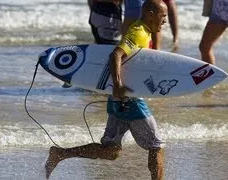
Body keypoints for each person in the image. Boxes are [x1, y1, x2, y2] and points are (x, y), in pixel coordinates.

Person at [44, 1, 168, 180]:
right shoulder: (139, 32)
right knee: (156, 146)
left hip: (119, 99)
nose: (164, 21)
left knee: (111, 151)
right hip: (130, 99)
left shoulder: (143, 30)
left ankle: (60, 153)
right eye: (162, 16)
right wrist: (118, 85)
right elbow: (116, 54)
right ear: (150, 13)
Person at [62, 0, 123, 88]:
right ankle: (76, 76)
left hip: (97, 13)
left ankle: (78, 77)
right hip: (108, 16)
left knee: (100, 49)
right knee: (109, 52)